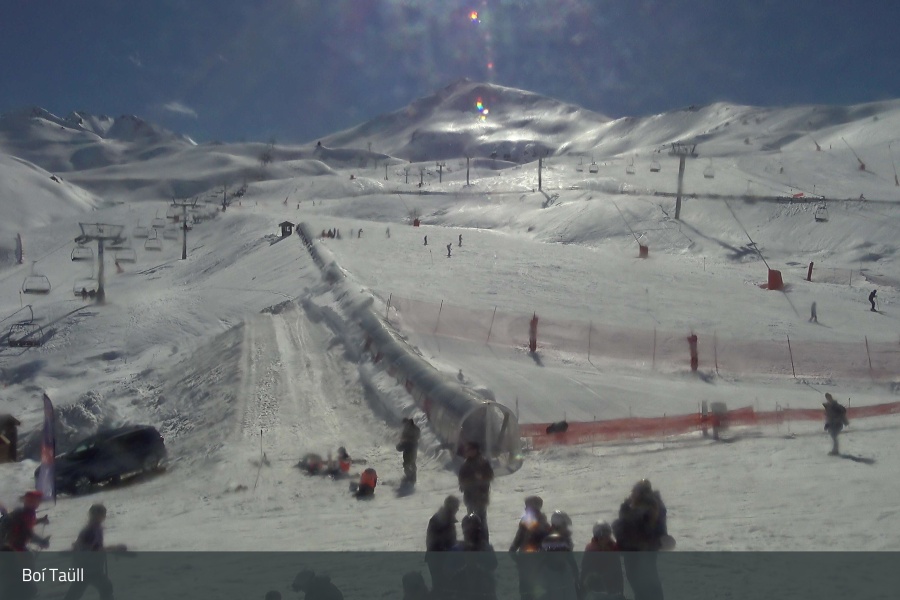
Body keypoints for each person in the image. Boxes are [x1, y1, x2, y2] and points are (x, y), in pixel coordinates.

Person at [613, 480, 669, 600]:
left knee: (643, 587)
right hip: (644, 553)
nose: (631, 494)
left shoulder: (643, 511)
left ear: (639, 494)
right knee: (649, 585)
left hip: (638, 555)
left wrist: (624, 509)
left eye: (634, 492)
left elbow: (626, 529)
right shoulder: (655, 507)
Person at [63, 504, 127, 600]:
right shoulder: (90, 530)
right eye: (100, 514)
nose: (102, 517)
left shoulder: (96, 529)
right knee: (105, 588)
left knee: (79, 591)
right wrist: (113, 549)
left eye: (103, 514)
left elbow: (94, 547)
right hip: (87, 567)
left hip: (90, 567)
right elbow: (91, 548)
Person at [446, 514, 497, 600]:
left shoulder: (486, 548)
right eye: (469, 532)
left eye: (473, 532)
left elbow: (493, 567)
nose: (471, 535)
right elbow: (448, 572)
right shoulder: (456, 550)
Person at [509, 496, 551, 600]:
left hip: (537, 563)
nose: (525, 509)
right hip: (525, 561)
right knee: (525, 590)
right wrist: (513, 549)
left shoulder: (543, 525)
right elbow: (519, 537)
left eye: (527, 506)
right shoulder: (526, 521)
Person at [457, 442, 494, 541]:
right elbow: (461, 478)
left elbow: (490, 475)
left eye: (470, 450)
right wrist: (464, 484)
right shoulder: (465, 464)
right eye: (467, 450)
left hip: (480, 497)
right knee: (471, 520)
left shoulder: (483, 462)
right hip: (469, 497)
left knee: (481, 520)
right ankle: (473, 540)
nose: (468, 452)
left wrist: (481, 478)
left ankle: (484, 541)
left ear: (475, 450)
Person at [539, 510, 579, 600]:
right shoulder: (548, 539)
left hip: (565, 571)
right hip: (552, 573)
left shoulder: (566, 539)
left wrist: (575, 575)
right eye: (564, 526)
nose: (566, 529)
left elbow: (570, 559)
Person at [581, 521, 625, 599]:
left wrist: (620, 590)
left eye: (608, 534)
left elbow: (618, 571)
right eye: (605, 535)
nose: (608, 538)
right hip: (598, 588)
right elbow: (585, 571)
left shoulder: (613, 548)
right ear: (598, 537)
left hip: (613, 586)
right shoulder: (591, 550)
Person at [425, 496, 460, 597]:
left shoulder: (447, 520)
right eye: (456, 507)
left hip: (442, 558)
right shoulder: (439, 520)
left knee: (444, 587)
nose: (457, 509)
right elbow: (435, 541)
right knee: (440, 587)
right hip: (437, 559)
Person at [397, 418, 421, 484]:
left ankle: (411, 477)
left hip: (412, 447)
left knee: (410, 463)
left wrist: (407, 440)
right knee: (407, 463)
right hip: (408, 447)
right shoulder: (408, 429)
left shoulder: (414, 429)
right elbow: (402, 437)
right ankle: (410, 476)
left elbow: (417, 437)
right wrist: (401, 442)